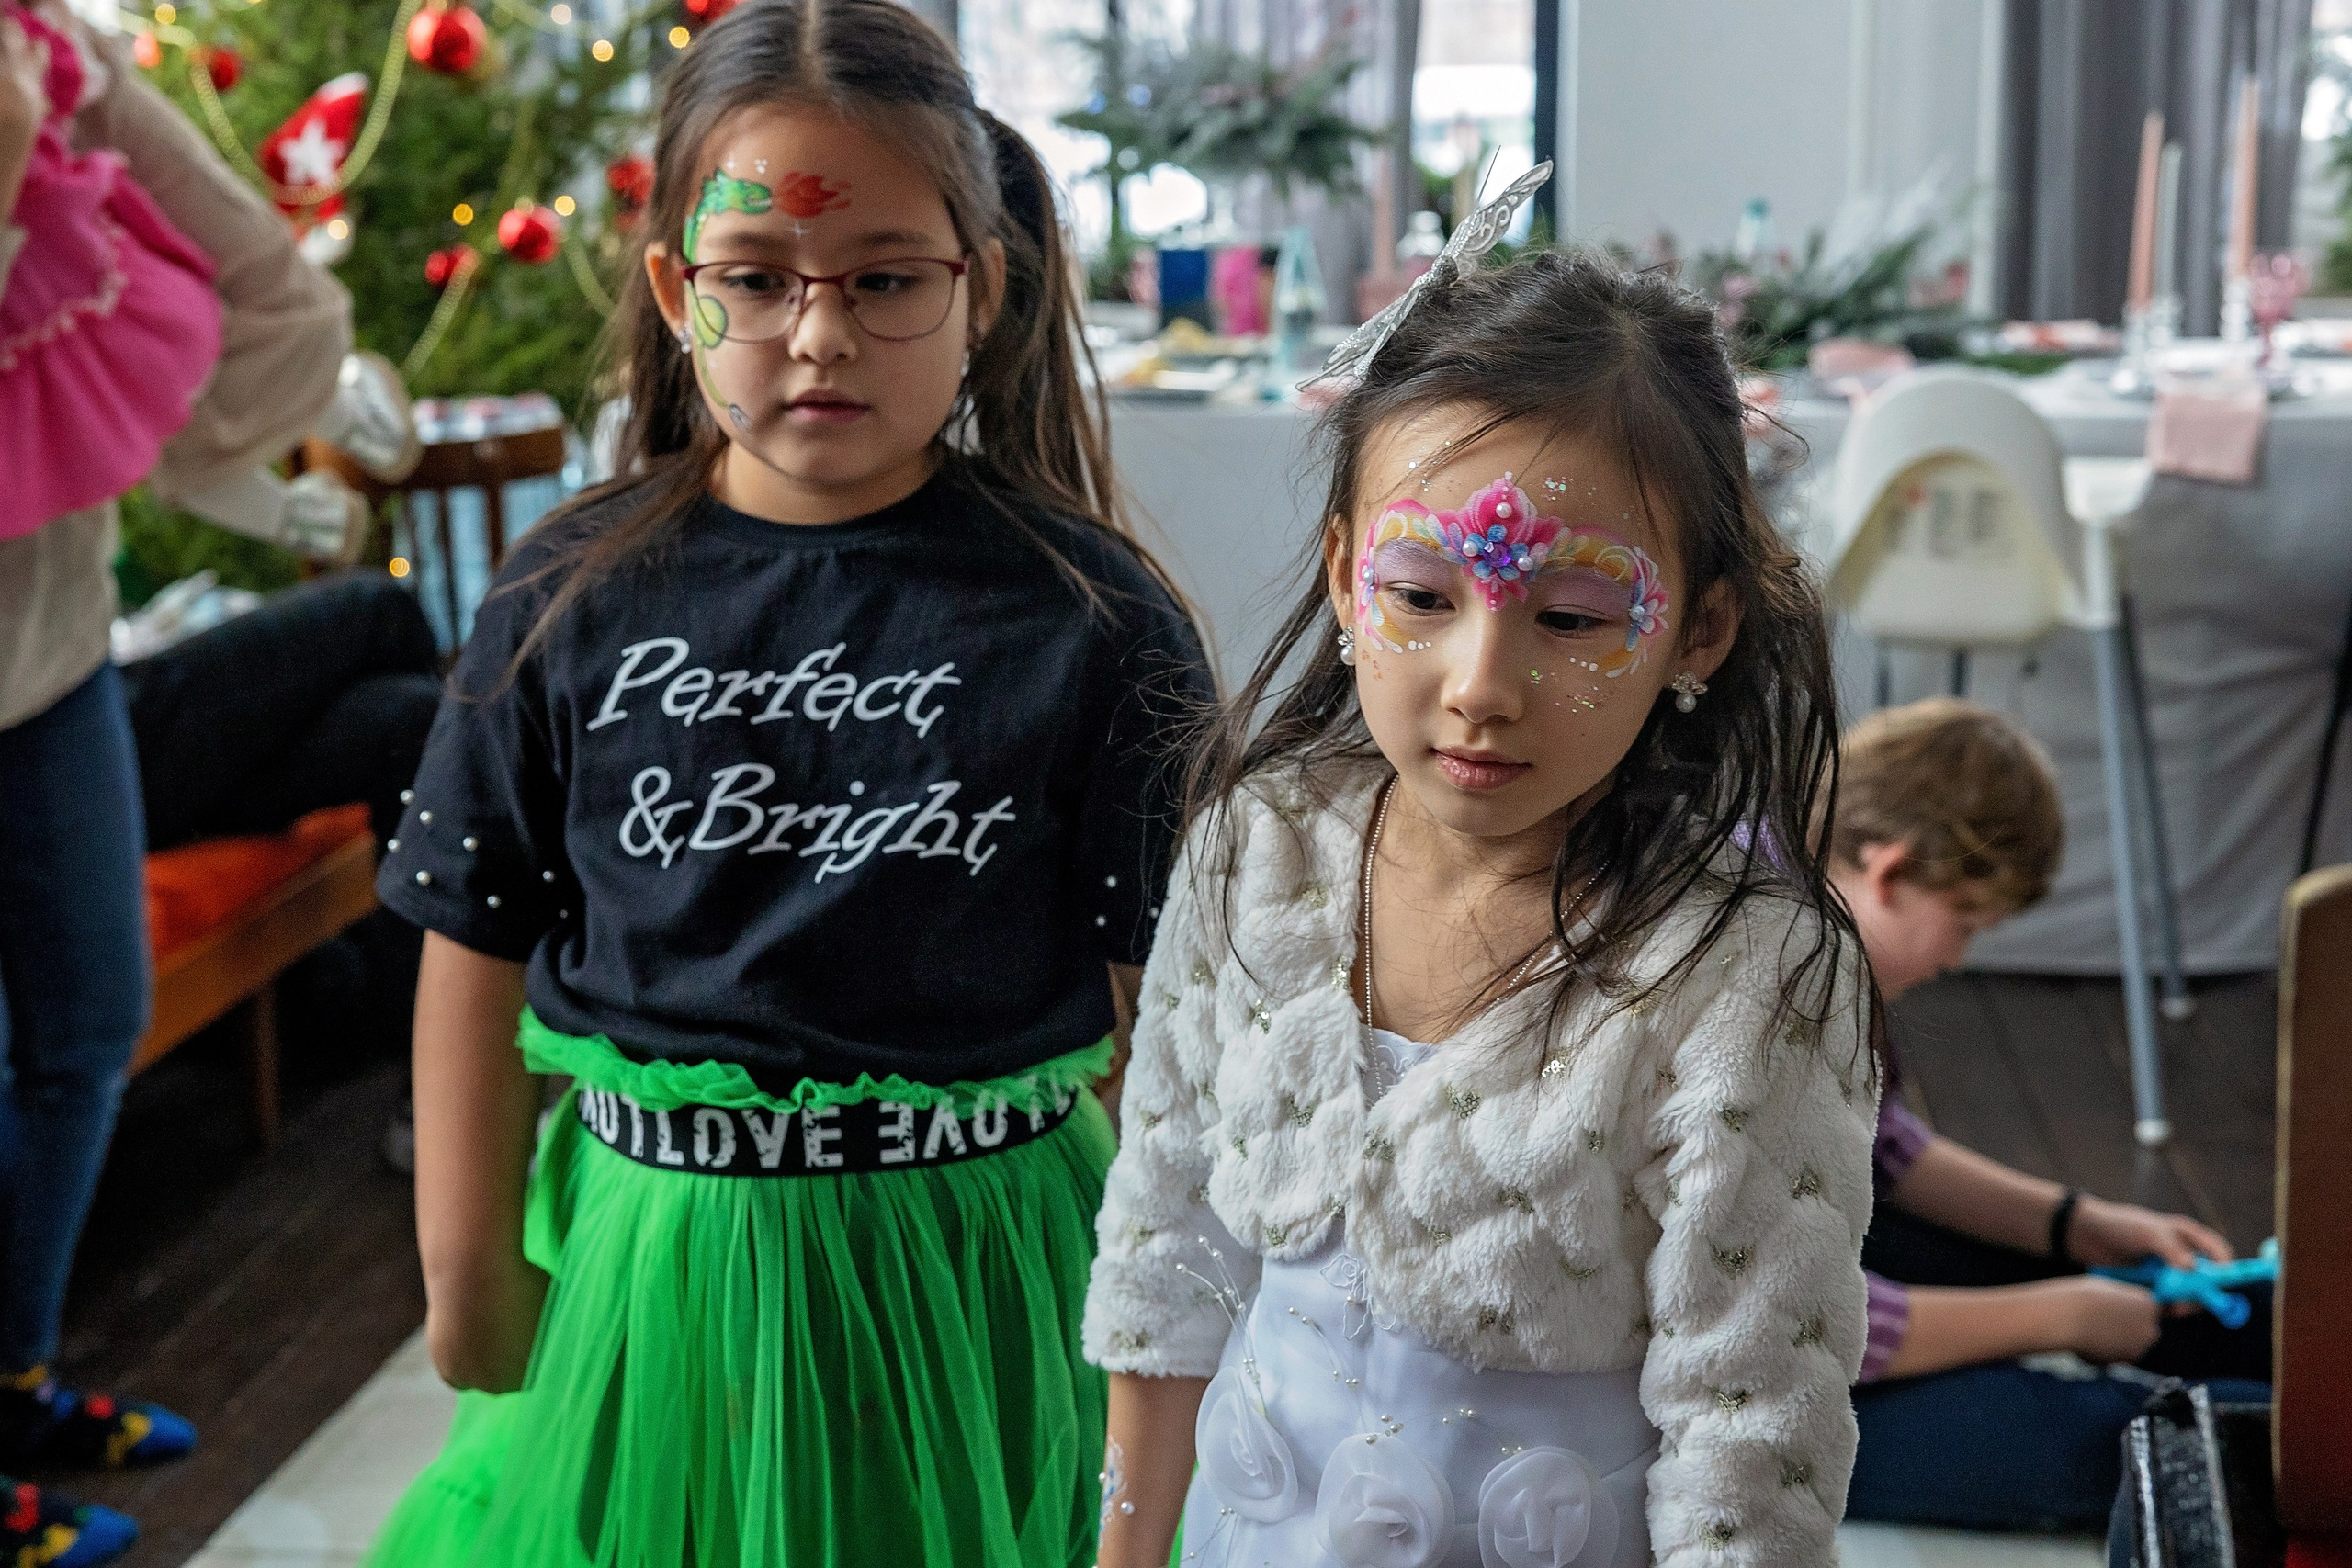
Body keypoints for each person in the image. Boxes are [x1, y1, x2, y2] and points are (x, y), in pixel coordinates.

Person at [361, 2, 1210, 1562]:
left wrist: (1184, 1316)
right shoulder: (564, 596)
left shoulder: (1096, 619)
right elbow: (467, 934)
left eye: (885, 280)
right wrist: (464, 1263)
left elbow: (1167, 1012)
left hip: (989, 1273)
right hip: (663, 1271)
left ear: (981, 287)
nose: (819, 334)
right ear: (681, 289)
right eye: (759, 282)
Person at [1086, 248, 1880, 1568]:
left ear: (1700, 629)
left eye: (1573, 614)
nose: (1481, 681)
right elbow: (1167, 1250)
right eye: (1419, 596)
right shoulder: (1259, 847)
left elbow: (1750, 1430)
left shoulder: (1746, 973)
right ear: (1346, 578)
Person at [0, 2, 383, 1560]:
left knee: (86, 1026)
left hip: (55, 657)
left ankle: (16, 1374)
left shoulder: (53, 51)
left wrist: (154, 435)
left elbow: (278, 299)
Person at [1830, 698, 2270, 1532]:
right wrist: (2062, 1313)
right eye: (1961, 926)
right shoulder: (1762, 981)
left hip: (1804, 1295)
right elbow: (1802, 1323)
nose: (1957, 959)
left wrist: (2080, 1228)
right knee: (2119, 1445)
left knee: (2130, 1300)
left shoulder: (1823, 939)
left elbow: (1883, 1147)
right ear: (1888, 872)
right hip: (1716, 1394)